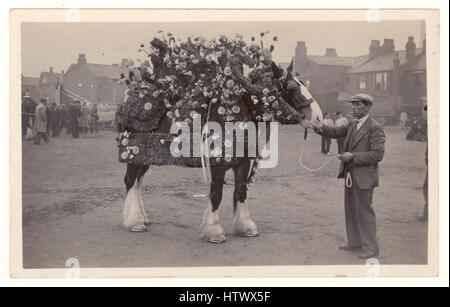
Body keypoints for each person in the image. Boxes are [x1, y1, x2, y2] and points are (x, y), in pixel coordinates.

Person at [314, 93, 385, 260]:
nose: (353, 107)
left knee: (364, 211)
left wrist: (352, 156)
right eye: (352, 104)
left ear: (367, 107)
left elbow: (377, 154)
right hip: (350, 175)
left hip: (364, 176)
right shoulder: (352, 124)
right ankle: (354, 243)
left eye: (357, 105)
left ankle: (371, 248)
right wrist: (316, 126)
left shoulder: (375, 127)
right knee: (351, 209)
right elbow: (334, 131)